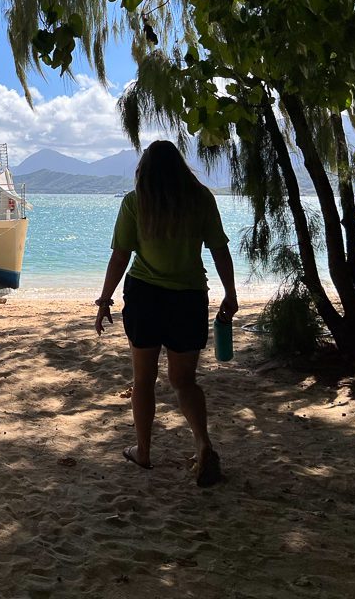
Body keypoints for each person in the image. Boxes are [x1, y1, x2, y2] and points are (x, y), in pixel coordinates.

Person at [95, 140, 238, 487]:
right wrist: (231, 294)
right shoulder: (201, 199)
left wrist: (104, 300)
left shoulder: (135, 202)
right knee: (184, 381)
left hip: (145, 297)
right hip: (188, 299)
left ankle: (143, 451)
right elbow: (219, 250)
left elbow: (120, 256)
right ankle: (203, 444)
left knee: (143, 380)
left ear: (144, 171)